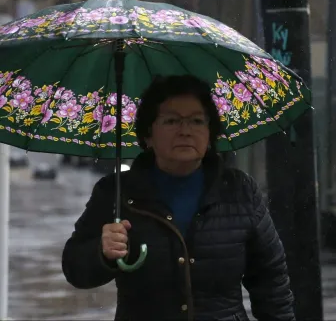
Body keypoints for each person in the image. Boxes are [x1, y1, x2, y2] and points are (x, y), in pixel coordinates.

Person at [61, 75, 295, 321]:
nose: (185, 131)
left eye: (196, 121)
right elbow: (75, 269)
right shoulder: (116, 192)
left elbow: (272, 283)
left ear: (210, 133)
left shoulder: (240, 191)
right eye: (171, 121)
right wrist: (102, 253)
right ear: (148, 134)